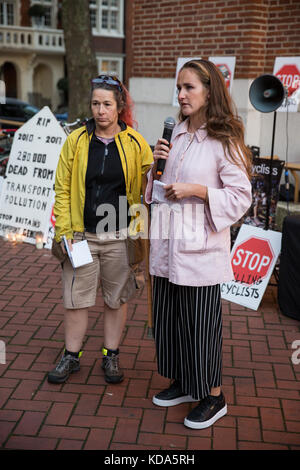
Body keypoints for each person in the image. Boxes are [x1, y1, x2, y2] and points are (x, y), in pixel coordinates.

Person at [145, 59, 252, 429]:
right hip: (166, 246)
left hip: (199, 252)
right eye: (179, 88)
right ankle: (186, 383)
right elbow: (156, 191)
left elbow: (240, 196)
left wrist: (197, 190)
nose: (181, 95)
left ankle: (214, 395)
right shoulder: (175, 133)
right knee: (171, 321)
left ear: (210, 91)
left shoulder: (224, 138)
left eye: (189, 87)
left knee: (200, 326)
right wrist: (153, 169)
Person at [48, 75, 153, 385]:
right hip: (82, 236)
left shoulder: (136, 143)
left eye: (107, 104)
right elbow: (63, 188)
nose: (100, 110)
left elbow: (148, 188)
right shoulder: (76, 140)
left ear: (119, 107)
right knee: (75, 298)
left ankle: (111, 356)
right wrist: (65, 231)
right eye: (96, 104)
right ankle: (71, 356)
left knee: (115, 299)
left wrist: (139, 232)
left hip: (120, 236)